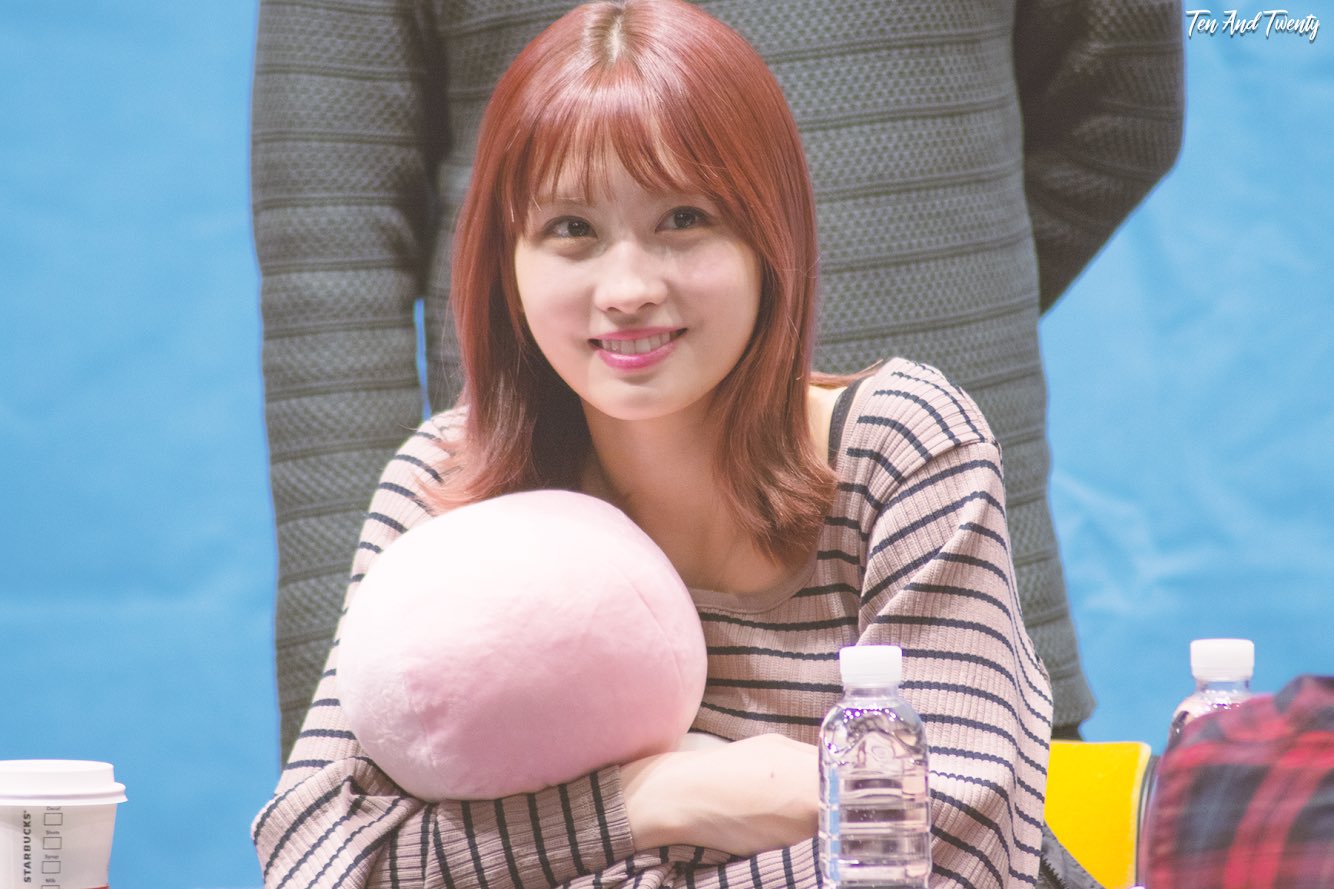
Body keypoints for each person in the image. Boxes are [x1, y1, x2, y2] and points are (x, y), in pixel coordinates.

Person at [252, 2, 1054, 886]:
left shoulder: (902, 449)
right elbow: (314, 857)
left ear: (770, 237)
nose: (627, 287)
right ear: (506, 262)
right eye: (571, 229)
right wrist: (658, 799)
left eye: (683, 218)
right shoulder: (448, 483)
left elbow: (957, 853)